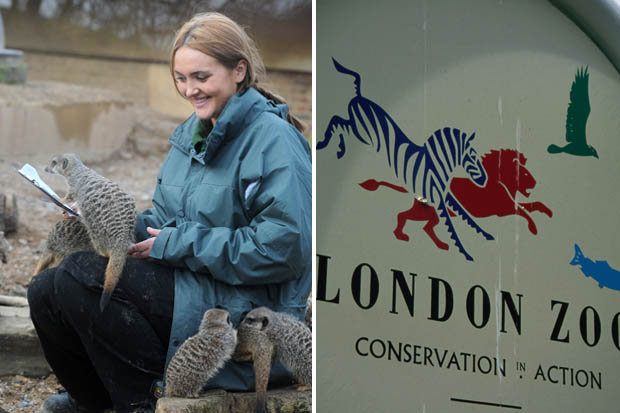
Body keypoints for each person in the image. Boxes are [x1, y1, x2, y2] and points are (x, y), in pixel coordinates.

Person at [28, 12, 312, 413]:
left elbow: (285, 248)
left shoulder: (273, 141)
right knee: (45, 290)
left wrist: (178, 243)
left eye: (201, 77)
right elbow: (163, 220)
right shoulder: (194, 133)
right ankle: (92, 400)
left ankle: (143, 402)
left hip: (245, 310)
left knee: (82, 276)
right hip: (192, 279)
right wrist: (101, 217)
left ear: (238, 71)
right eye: (181, 78)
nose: (189, 89)